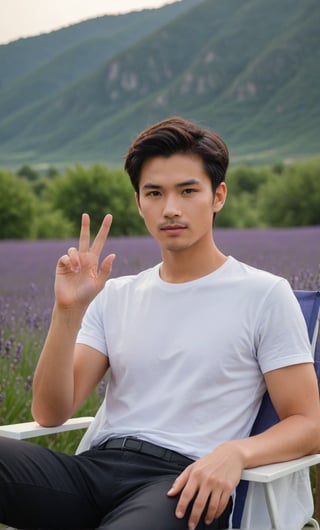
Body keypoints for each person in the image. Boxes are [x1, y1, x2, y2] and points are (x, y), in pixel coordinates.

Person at [0, 116, 319, 530]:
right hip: (94, 470)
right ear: (139, 203)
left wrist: (236, 453)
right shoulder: (116, 295)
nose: (171, 208)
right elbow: (50, 411)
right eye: (155, 193)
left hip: (183, 484)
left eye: (188, 191)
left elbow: (309, 424)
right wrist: (67, 311)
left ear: (217, 195)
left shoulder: (263, 294)